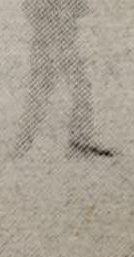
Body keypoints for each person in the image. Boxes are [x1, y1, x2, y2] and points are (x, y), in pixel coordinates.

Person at [14, 0, 113, 158]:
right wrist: (55, 16)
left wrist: (70, 11)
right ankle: (25, 143)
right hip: (47, 42)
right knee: (41, 91)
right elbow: (31, 9)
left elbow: (81, 8)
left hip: (66, 41)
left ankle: (80, 140)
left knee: (80, 87)